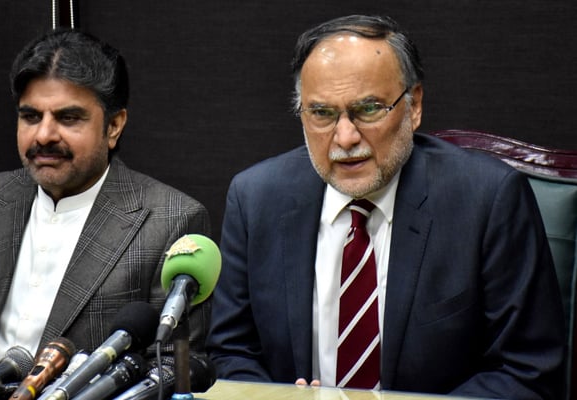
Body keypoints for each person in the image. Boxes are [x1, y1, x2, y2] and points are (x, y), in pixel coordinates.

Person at [206, 14, 566, 400]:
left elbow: (529, 371)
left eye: (369, 109)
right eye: (322, 113)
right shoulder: (256, 198)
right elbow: (231, 352)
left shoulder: (487, 199)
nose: (345, 138)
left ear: (413, 106)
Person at [0, 29, 211, 365]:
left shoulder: (170, 221)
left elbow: (171, 372)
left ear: (114, 126)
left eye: (68, 118)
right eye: (30, 116)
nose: (45, 135)